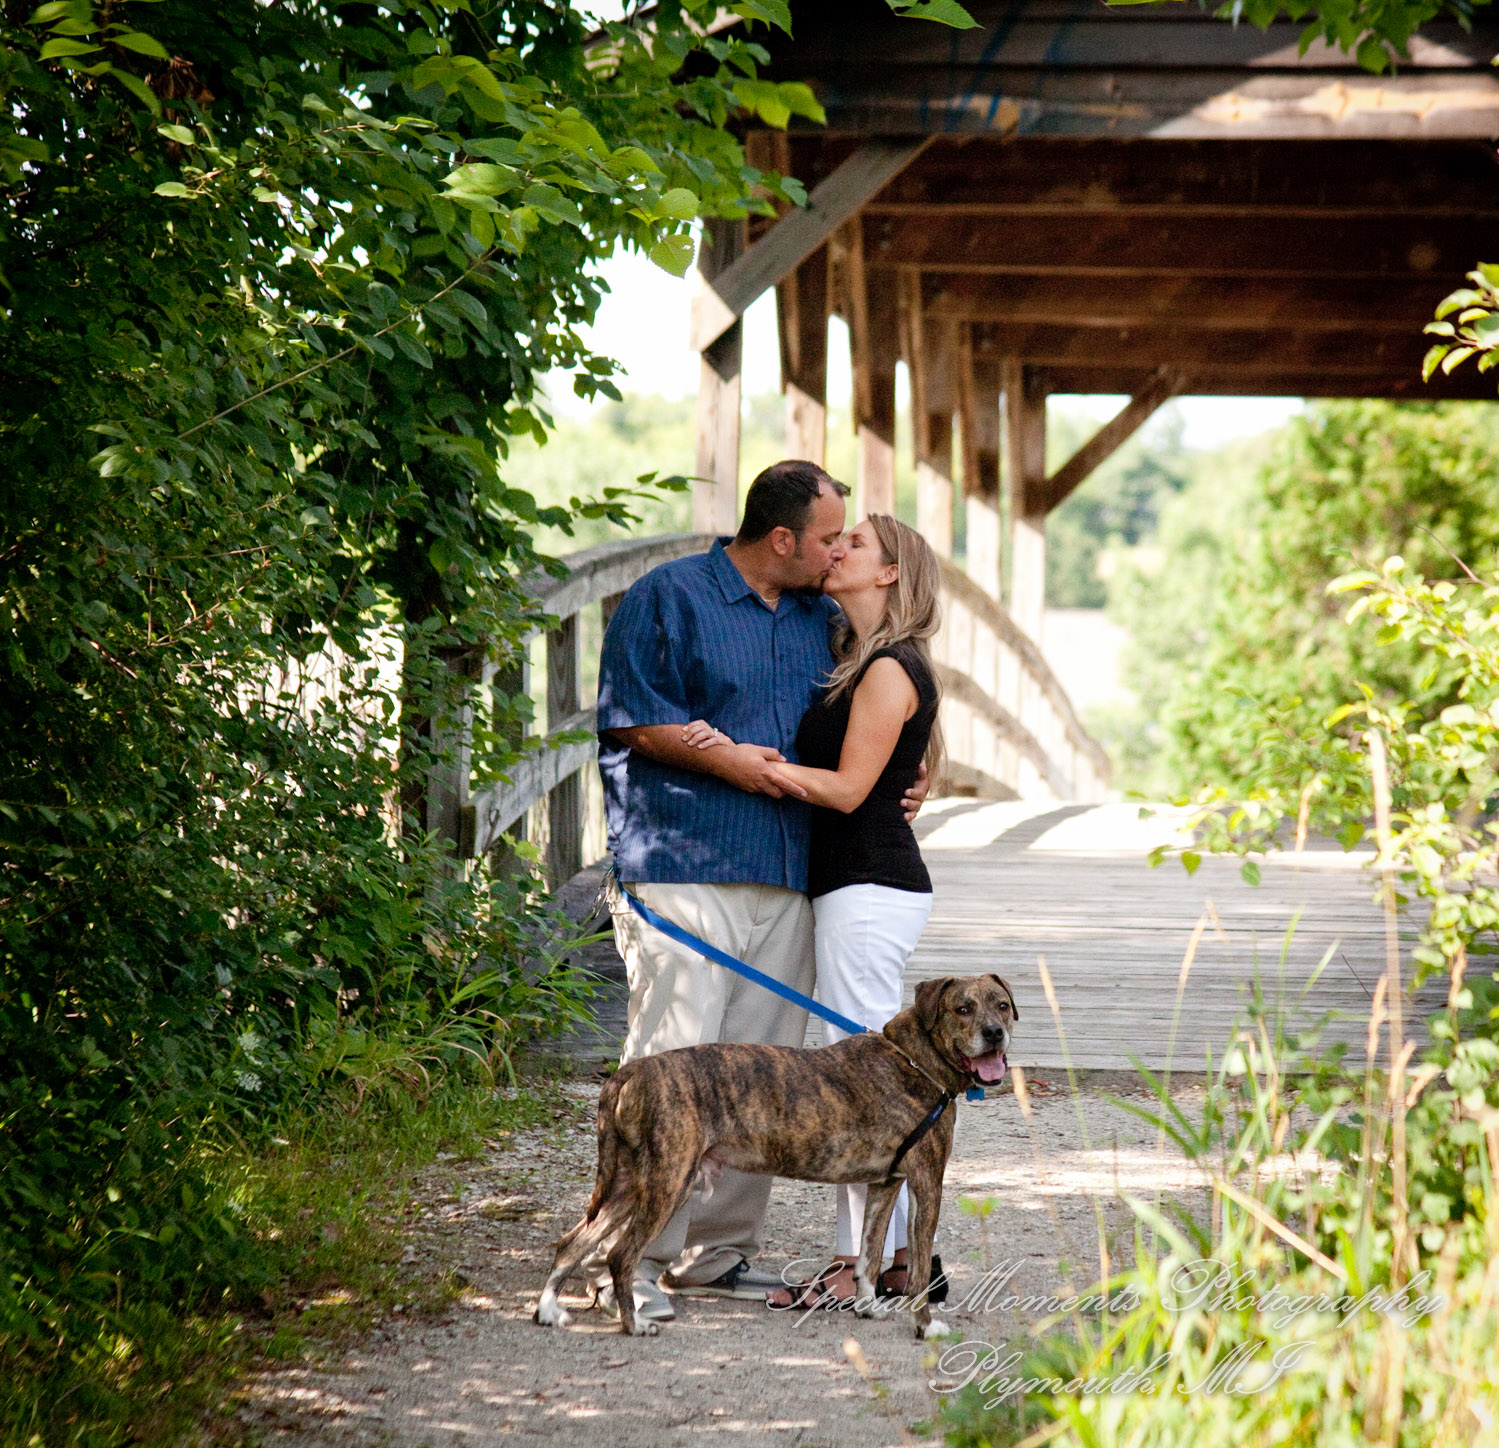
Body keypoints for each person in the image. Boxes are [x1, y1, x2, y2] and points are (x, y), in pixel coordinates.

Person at [593, 462, 929, 1325]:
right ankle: (629, 1259)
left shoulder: (827, 619)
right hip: (683, 862)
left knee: (764, 1076)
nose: (835, 553)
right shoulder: (668, 596)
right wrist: (723, 758)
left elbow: (896, 694)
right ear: (782, 538)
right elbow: (629, 715)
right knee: (671, 1065)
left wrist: (913, 771)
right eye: (828, 538)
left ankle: (714, 1257)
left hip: (790, 871)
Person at [680, 514, 943, 1309]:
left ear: (890, 574)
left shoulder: (889, 668)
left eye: (856, 544)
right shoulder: (859, 655)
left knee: (862, 1090)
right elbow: (901, 756)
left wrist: (743, 759)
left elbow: (849, 790)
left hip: (867, 891)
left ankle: (860, 1266)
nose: (838, 550)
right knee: (866, 1085)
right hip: (857, 886)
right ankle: (894, 1263)